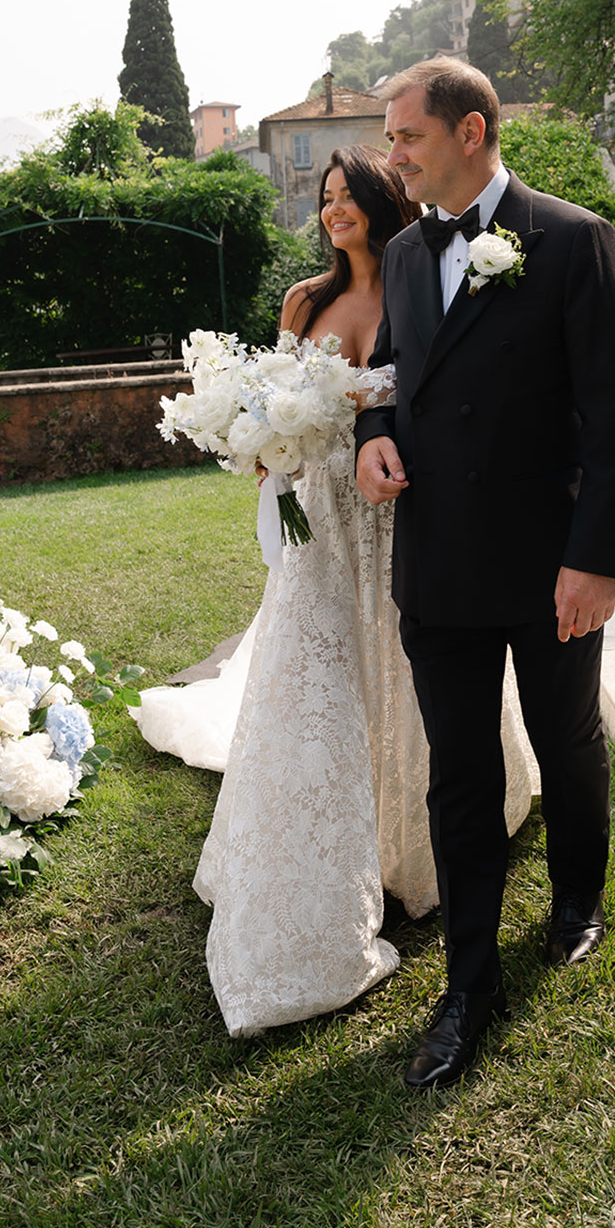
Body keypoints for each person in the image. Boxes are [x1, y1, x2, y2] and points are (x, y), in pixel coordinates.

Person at [132, 145, 539, 1036]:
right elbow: (275, 395)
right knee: (319, 684)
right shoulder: (304, 302)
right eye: (325, 199)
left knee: (407, 667)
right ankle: (318, 872)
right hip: (322, 516)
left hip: (399, 513)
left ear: (385, 200)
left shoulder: (419, 282)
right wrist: (261, 447)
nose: (335, 210)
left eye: (351, 195)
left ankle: (411, 843)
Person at [356, 57, 615, 1089]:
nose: (394, 154)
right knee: (462, 772)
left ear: (470, 130)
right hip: (436, 557)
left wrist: (595, 561)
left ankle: (577, 896)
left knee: (565, 737)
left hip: (547, 558)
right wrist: (374, 434)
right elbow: (392, 369)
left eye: (408, 137)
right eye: (392, 138)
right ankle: (468, 985)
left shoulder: (574, 240)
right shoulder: (400, 253)